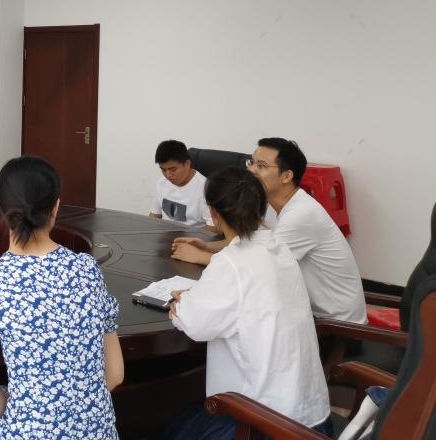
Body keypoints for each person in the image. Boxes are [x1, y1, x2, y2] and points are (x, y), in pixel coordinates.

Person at [163, 166, 331, 439]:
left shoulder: (230, 263)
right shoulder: (279, 248)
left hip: (261, 423)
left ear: (214, 214)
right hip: (310, 417)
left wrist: (180, 304)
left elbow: (195, 323)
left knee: (173, 428)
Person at [0, 156, 124, 440]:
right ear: (56, 208)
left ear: (2, 210)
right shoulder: (87, 270)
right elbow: (114, 375)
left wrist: (30, 413)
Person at [172, 138, 366, 323]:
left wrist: (200, 257)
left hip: (335, 324)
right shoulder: (270, 204)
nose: (251, 171)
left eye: (261, 166)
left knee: (224, 321)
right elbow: (251, 243)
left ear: (287, 176)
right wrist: (207, 246)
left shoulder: (301, 214)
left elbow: (261, 267)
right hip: (305, 308)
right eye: (251, 163)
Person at [149, 139, 212, 228]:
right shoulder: (162, 182)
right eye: (163, 170)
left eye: (173, 169)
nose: (168, 175)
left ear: (187, 164)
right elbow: (154, 216)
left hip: (193, 235)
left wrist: (186, 237)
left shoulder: (206, 188)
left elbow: (214, 228)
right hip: (165, 234)